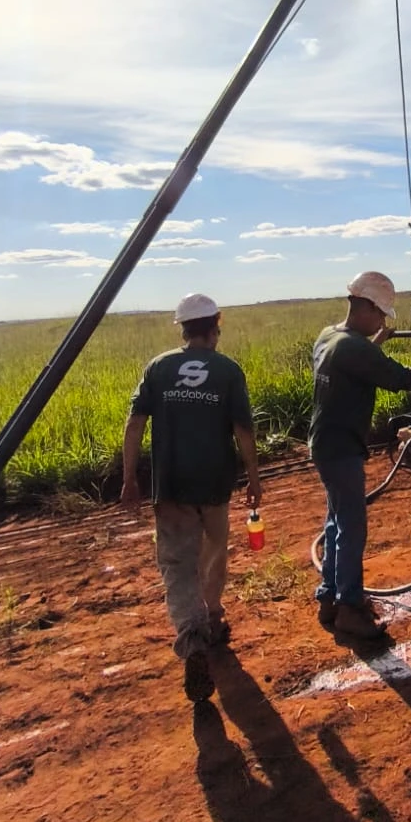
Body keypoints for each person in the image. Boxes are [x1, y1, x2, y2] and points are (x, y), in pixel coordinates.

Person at [310, 270, 411, 638]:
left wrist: (379, 339)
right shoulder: (354, 347)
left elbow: (356, 361)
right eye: (380, 314)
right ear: (364, 307)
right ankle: (350, 608)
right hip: (342, 448)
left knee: (337, 522)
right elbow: (407, 379)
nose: (382, 321)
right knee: (351, 527)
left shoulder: (329, 336)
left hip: (325, 443)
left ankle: (329, 599)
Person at [121, 292, 262, 702]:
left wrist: (130, 478)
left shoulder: (159, 367)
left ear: (182, 329)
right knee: (215, 551)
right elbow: (244, 432)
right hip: (216, 483)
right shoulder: (228, 370)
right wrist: (253, 477)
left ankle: (192, 632)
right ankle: (212, 618)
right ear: (215, 324)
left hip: (172, 485)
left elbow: (134, 424)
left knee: (178, 563)